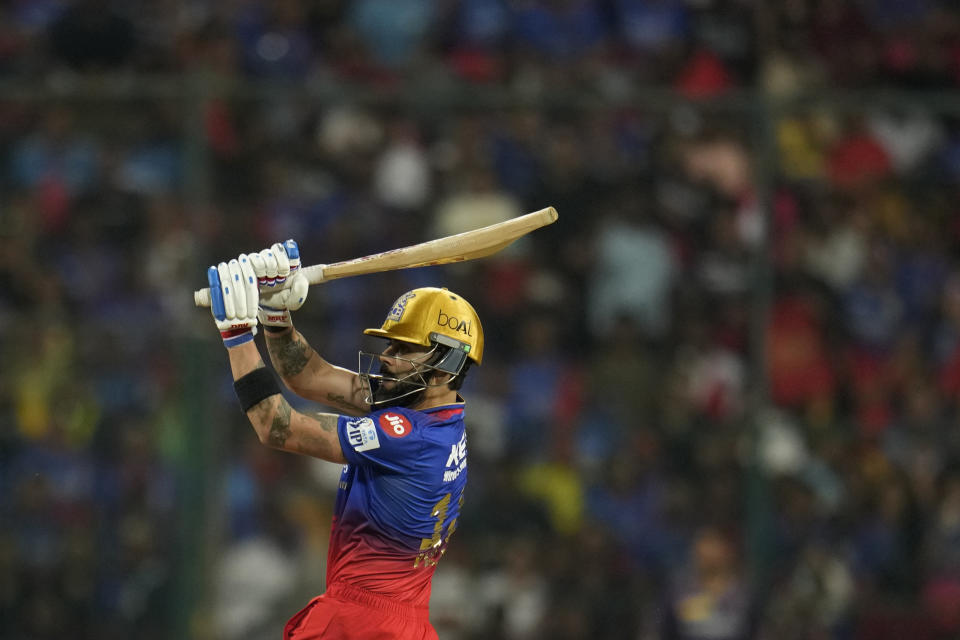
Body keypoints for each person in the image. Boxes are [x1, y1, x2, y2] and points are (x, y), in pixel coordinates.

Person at [205, 240, 482, 639]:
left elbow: (276, 426)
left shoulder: (407, 436)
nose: (386, 355)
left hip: (362, 623)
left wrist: (236, 335)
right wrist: (275, 312)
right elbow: (310, 378)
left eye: (404, 348)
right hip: (403, 623)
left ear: (445, 366)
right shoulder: (435, 412)